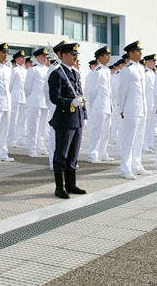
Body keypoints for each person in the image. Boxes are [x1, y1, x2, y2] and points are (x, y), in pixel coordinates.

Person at [48, 43, 87, 199]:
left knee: (73, 154)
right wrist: (70, 103)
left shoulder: (76, 74)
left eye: (76, 54)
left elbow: (79, 93)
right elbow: (54, 97)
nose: (75, 57)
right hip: (64, 119)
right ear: (63, 56)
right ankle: (59, 187)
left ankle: (71, 184)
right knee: (61, 155)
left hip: (76, 119)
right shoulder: (57, 74)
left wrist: (83, 113)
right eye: (72, 54)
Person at [116, 41, 151, 179]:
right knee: (129, 139)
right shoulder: (127, 69)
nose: (140, 53)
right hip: (131, 108)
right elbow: (122, 91)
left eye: (140, 50)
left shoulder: (141, 68)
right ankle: (125, 167)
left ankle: (137, 164)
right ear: (130, 53)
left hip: (141, 108)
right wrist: (122, 108)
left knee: (139, 139)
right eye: (137, 51)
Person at [84, 46, 114, 163]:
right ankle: (93, 154)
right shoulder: (96, 72)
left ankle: (102, 152)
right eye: (106, 55)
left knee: (105, 131)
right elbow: (90, 92)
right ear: (100, 57)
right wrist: (92, 106)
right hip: (98, 105)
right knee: (96, 131)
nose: (109, 57)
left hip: (106, 105)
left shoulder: (107, 70)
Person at [45, 41, 67, 170]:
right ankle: (53, 161)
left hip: (66, 106)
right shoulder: (54, 68)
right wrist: (51, 106)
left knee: (64, 135)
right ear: (59, 54)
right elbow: (46, 89)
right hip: (56, 105)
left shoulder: (66, 68)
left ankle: (62, 160)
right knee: (55, 134)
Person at [25, 48, 49, 157]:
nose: (45, 58)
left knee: (43, 126)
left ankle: (40, 146)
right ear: (37, 57)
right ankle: (32, 148)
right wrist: (30, 98)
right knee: (33, 126)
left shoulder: (47, 69)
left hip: (44, 101)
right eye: (43, 56)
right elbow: (27, 87)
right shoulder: (33, 69)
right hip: (34, 100)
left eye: (46, 56)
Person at [8, 50, 27, 148]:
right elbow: (10, 85)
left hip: (23, 97)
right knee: (13, 119)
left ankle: (20, 138)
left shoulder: (25, 70)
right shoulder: (14, 70)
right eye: (21, 58)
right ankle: (11, 139)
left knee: (22, 120)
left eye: (24, 58)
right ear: (16, 59)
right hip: (15, 96)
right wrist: (11, 95)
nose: (23, 59)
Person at [142, 54, 157, 153]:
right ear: (147, 62)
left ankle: (149, 143)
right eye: (152, 61)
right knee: (146, 124)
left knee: (152, 124)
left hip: (152, 102)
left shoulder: (153, 73)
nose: (154, 63)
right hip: (147, 102)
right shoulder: (146, 73)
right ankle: (143, 144)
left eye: (155, 61)